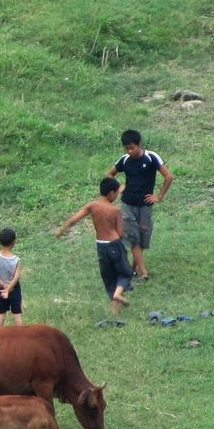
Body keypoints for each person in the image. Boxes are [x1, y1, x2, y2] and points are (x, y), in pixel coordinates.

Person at [55, 177, 134, 315]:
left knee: (109, 276)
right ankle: (118, 294)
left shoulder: (92, 205)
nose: (116, 196)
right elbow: (120, 233)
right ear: (110, 193)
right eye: (116, 193)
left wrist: (61, 230)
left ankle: (115, 308)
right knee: (126, 273)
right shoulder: (115, 210)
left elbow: (74, 219)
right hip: (114, 244)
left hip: (101, 245)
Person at [107, 129, 173, 282]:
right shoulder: (124, 160)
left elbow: (169, 176)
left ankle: (132, 268)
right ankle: (144, 273)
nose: (130, 151)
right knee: (133, 237)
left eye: (132, 147)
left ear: (139, 144)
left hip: (145, 205)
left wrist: (159, 196)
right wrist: (118, 187)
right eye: (127, 148)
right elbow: (110, 174)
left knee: (142, 238)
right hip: (127, 205)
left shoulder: (151, 157)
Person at [0, 228, 23, 326]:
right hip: (14, 289)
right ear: (14, 242)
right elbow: (16, 277)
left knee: (0, 314)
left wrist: (3, 285)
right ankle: (23, 337)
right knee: (17, 314)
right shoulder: (16, 260)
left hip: (0, 289)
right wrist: (9, 288)